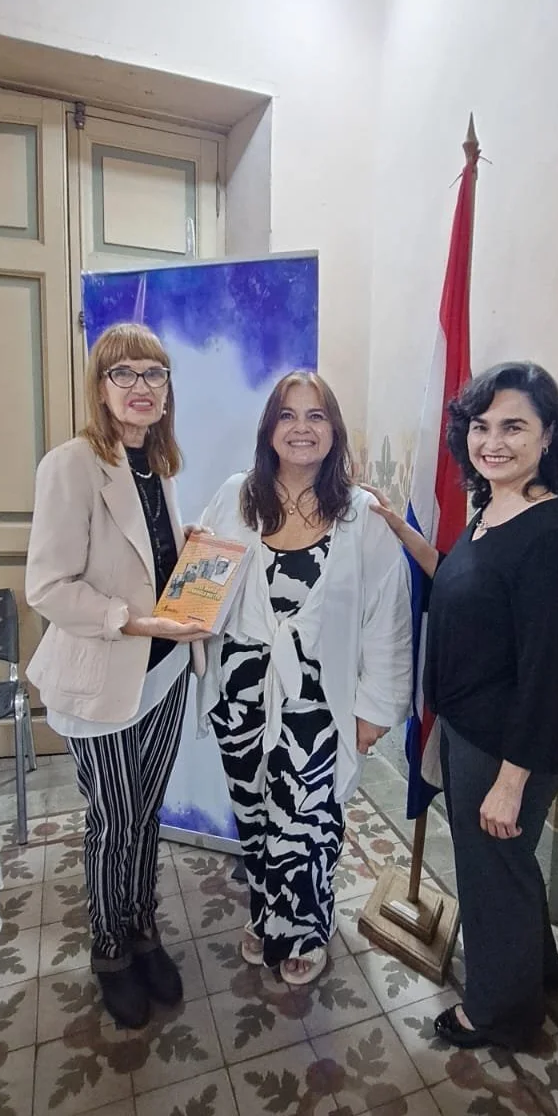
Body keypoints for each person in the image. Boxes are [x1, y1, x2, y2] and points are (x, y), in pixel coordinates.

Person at [368, 361, 558, 1050]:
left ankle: (500, 1014)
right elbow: (457, 578)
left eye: (514, 427)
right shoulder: (493, 510)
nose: (493, 442)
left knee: (490, 872)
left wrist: (511, 781)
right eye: (481, 426)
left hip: (508, 745)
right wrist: (399, 529)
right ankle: (539, 971)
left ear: (548, 436)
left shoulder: (551, 536)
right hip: (475, 731)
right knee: (509, 863)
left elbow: (550, 673)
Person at [197, 370, 413, 987]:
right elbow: (202, 584)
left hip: (320, 699)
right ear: (269, 429)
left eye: (315, 415)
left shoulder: (361, 513)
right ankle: (267, 913)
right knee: (255, 814)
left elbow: (389, 614)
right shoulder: (237, 497)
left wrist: (375, 709)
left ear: (333, 430)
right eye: (287, 415)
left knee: (308, 820)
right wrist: (191, 556)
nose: (301, 428)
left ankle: (305, 928)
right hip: (241, 692)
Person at [25, 323, 207, 1029]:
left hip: (163, 673)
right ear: (100, 388)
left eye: (154, 374)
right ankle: (109, 947)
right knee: (113, 819)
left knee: (145, 811)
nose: (141, 387)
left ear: (167, 390)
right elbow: (49, 587)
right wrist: (129, 622)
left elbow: (142, 559)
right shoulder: (70, 465)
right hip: (101, 676)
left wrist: (187, 552)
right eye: (124, 373)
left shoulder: (159, 463)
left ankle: (142, 928)